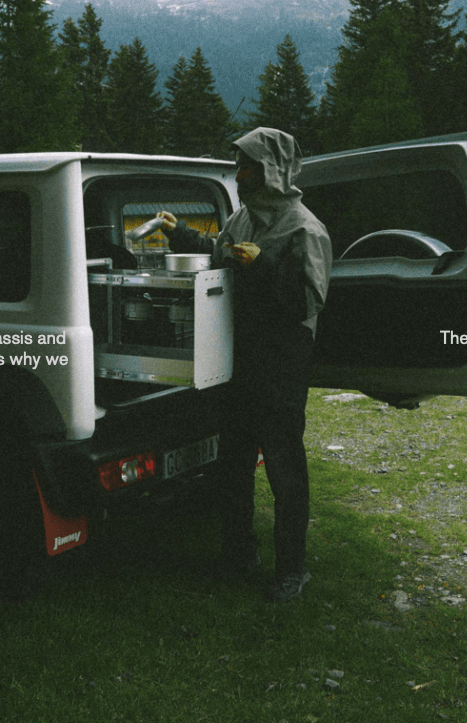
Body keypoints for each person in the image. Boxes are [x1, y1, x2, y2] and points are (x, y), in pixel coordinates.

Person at [157, 127, 332, 602]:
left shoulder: (304, 228)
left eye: (247, 166)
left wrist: (262, 266)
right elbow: (218, 255)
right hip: (238, 360)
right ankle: (239, 553)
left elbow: (307, 303)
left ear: (272, 169)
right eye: (238, 165)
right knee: (232, 466)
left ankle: (293, 570)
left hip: (281, 365)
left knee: (284, 469)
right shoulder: (242, 220)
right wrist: (180, 233)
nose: (239, 174)